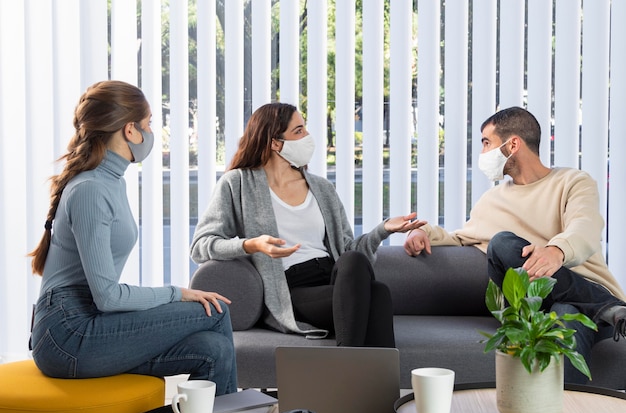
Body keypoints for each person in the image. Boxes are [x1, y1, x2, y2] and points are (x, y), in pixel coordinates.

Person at [28, 80, 237, 395]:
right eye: (149, 123)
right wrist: (177, 292)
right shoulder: (91, 189)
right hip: (66, 336)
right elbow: (109, 297)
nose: (151, 131)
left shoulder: (111, 181)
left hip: (89, 322)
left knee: (213, 349)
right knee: (214, 310)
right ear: (130, 130)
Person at [404, 106, 626, 384]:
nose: (483, 154)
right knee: (502, 244)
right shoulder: (492, 200)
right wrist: (422, 232)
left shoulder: (573, 182)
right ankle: (605, 306)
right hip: (533, 306)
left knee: (567, 313)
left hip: (576, 307)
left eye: (487, 143)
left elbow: (586, 226)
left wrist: (556, 251)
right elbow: (460, 237)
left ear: (512, 145)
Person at [190, 102, 425, 347]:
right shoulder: (237, 183)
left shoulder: (322, 188)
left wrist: (383, 230)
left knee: (354, 261)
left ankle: (349, 374)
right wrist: (252, 245)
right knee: (378, 295)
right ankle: (368, 380)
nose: (308, 137)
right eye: (299, 131)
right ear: (275, 143)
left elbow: (347, 248)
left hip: (337, 278)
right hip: (293, 289)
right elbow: (201, 246)